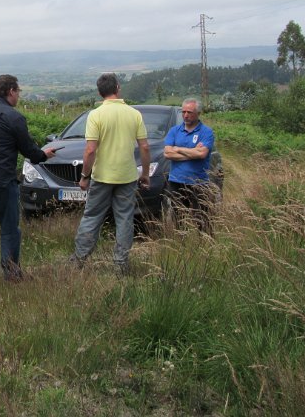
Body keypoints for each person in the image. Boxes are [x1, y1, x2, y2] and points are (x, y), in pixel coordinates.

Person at [0, 75, 57, 282]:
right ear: (11, 91)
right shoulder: (14, 117)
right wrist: (45, 155)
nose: (18, 95)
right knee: (9, 228)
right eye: (18, 91)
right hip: (0, 179)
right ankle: (12, 273)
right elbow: (29, 151)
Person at [70, 73, 150, 274]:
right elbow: (145, 147)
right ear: (118, 87)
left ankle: (79, 259)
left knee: (92, 217)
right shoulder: (134, 114)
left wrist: (84, 176)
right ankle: (121, 264)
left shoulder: (95, 115)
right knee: (124, 219)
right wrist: (146, 174)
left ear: (99, 92)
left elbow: (90, 150)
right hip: (127, 176)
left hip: (102, 177)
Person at [163, 98, 216, 234]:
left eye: (190, 112)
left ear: (198, 113)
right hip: (176, 181)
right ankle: (181, 248)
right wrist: (192, 152)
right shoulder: (174, 130)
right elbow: (167, 153)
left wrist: (177, 148)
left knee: (202, 221)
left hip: (198, 182)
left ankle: (205, 247)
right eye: (184, 112)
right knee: (178, 219)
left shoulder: (206, 132)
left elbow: (202, 154)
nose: (186, 115)